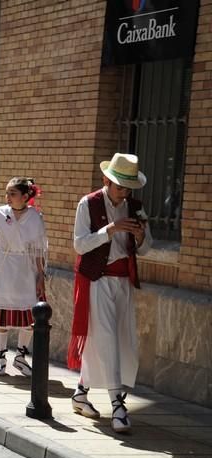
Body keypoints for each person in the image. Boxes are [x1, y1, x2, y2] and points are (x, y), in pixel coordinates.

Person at [69, 153, 152, 433]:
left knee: (121, 338)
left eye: (128, 187)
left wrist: (140, 237)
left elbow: (145, 248)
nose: (124, 192)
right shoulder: (88, 203)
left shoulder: (136, 208)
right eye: (119, 186)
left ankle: (81, 393)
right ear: (106, 180)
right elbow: (79, 245)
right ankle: (117, 404)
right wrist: (111, 228)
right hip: (97, 280)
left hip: (123, 282)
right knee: (105, 338)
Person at [0, 177, 47, 377]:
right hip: (3, 269)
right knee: (1, 316)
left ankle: (21, 356)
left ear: (25, 196)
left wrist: (40, 275)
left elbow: (38, 249)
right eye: (6, 193)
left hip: (26, 269)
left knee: (32, 315)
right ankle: (1, 359)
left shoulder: (35, 217)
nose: (7, 197)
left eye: (12, 193)